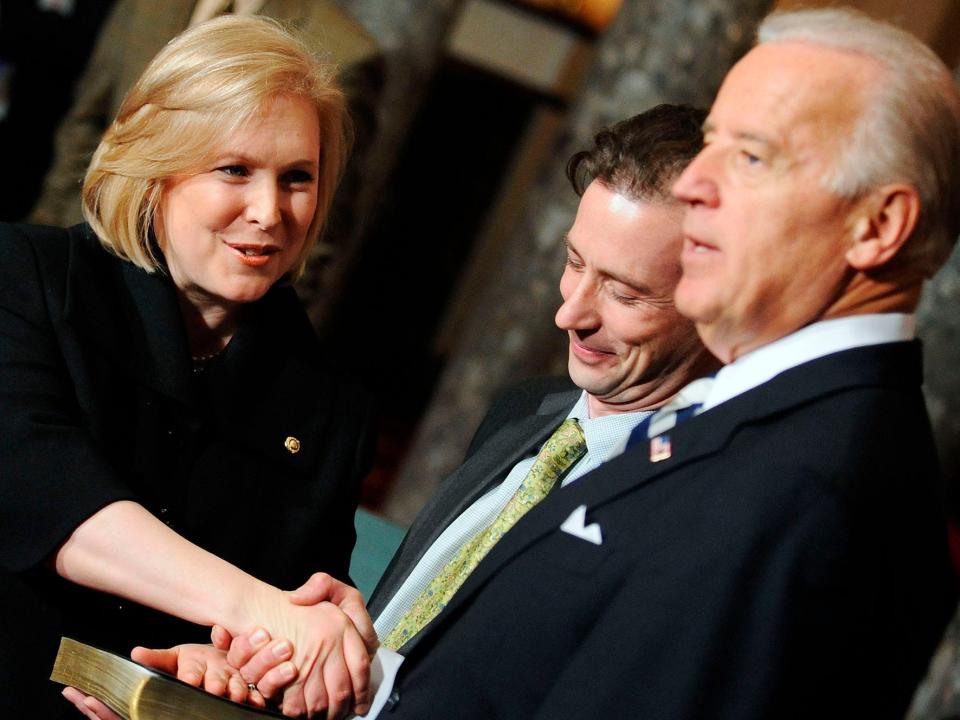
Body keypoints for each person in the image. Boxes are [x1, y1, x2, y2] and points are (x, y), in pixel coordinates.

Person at [236, 7, 960, 718]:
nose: (699, 186)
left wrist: (381, 689)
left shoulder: (812, 482)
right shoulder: (772, 432)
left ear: (878, 226)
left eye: (750, 156)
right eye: (712, 145)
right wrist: (365, 673)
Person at [68, 103, 721, 718]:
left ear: (716, 295)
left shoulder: (711, 492)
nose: (570, 311)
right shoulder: (524, 413)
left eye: (624, 292)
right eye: (575, 264)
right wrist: (284, 677)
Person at [0, 16, 379, 720]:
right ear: (154, 169)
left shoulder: (333, 405)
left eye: (297, 178)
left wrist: (230, 664)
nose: (269, 212)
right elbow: (44, 495)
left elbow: (289, 635)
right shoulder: (23, 277)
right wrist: (265, 612)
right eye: (234, 170)